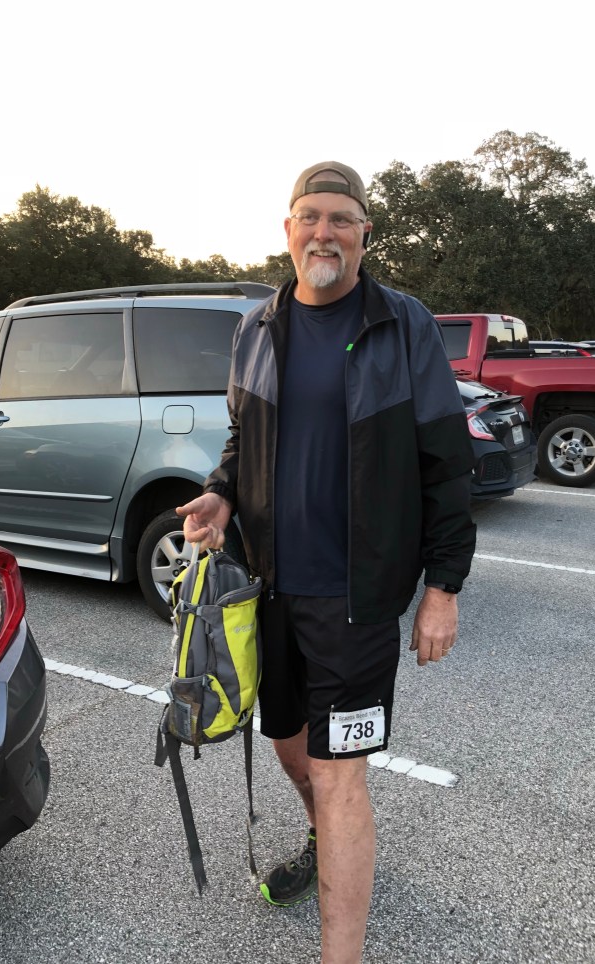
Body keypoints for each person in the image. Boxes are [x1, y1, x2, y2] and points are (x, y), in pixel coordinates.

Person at [177, 162, 476, 964]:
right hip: (270, 589)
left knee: (340, 771)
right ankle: (326, 841)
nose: (324, 232)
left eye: (341, 218)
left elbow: (446, 461)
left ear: (364, 233)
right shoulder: (256, 327)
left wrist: (443, 587)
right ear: (288, 229)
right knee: (288, 744)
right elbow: (242, 439)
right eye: (310, 216)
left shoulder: (402, 324)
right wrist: (221, 495)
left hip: (357, 599)